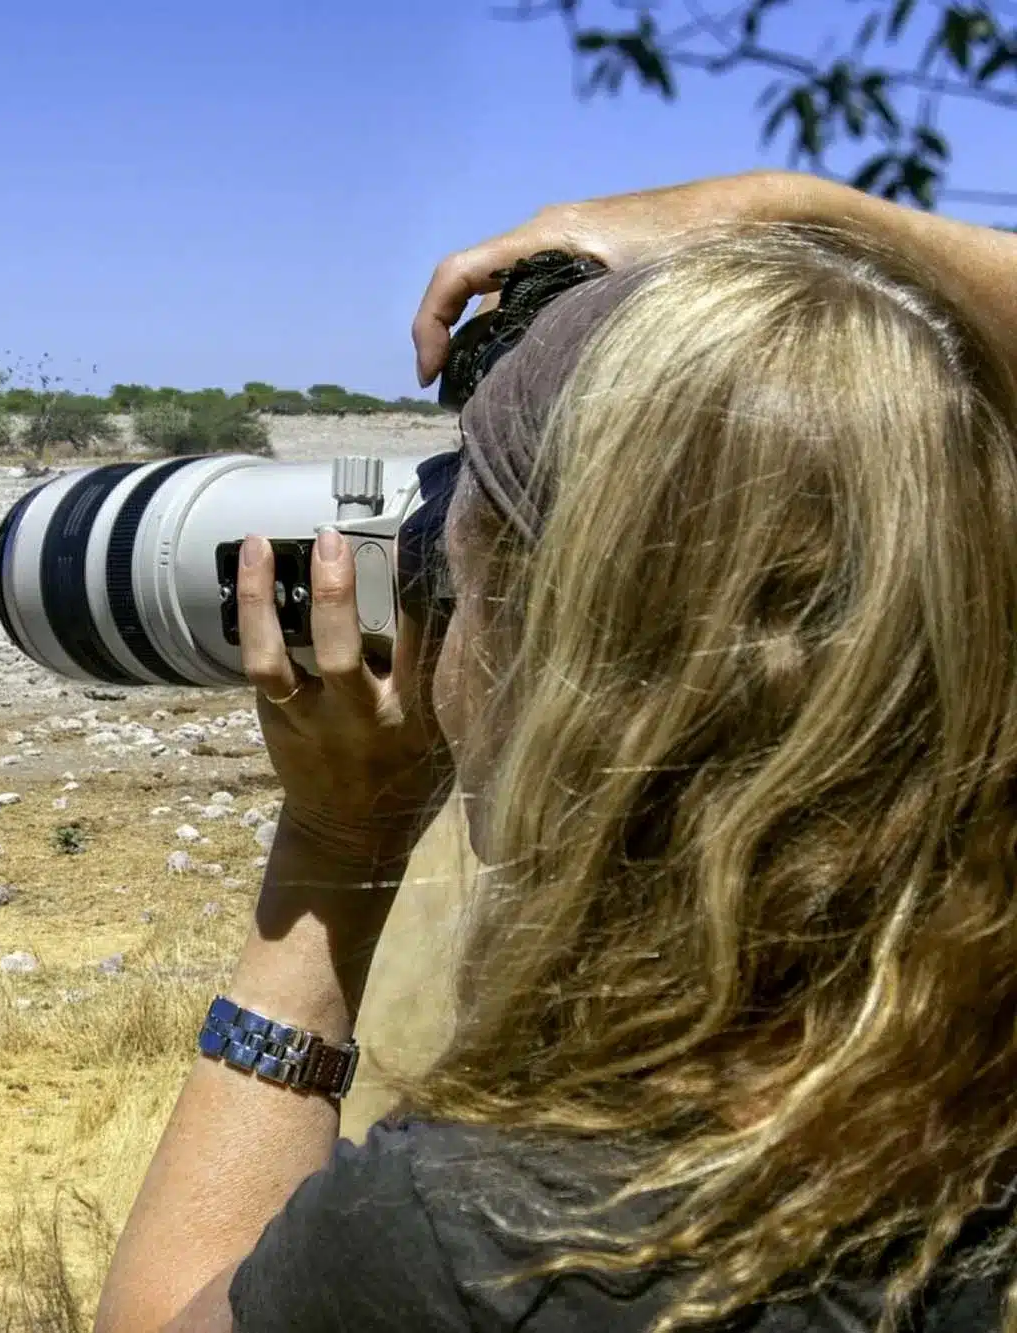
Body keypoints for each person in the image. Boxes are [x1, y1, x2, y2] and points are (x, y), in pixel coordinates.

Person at [94, 170, 1017, 1333]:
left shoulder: (495, 1235)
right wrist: (803, 219)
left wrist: (332, 850)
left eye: (462, 573)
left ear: (550, 657)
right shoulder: (965, 1097)